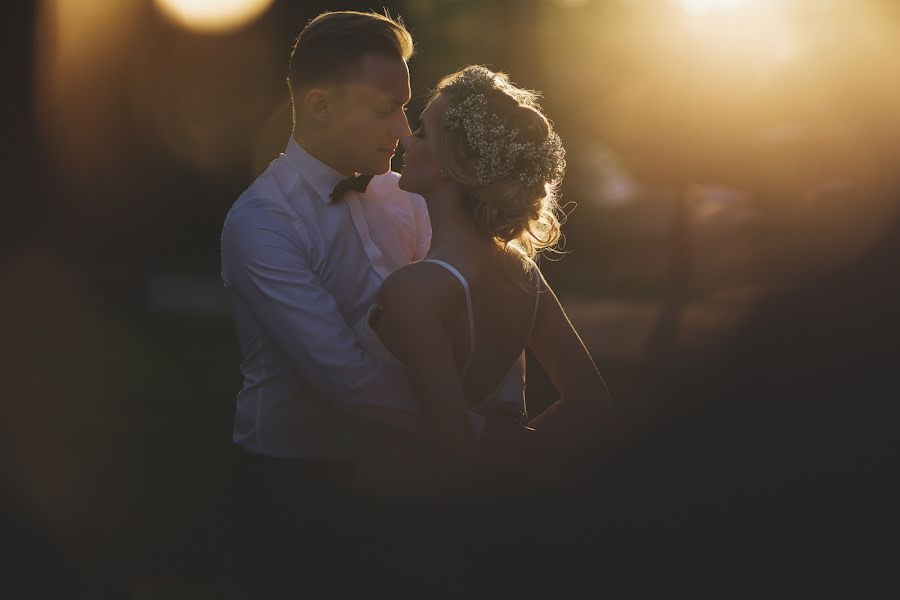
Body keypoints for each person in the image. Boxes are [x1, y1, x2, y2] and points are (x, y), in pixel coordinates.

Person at [218, 11, 525, 593]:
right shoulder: (261, 224)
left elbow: (480, 298)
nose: (406, 131)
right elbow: (344, 377)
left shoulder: (408, 193)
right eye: (387, 110)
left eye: (406, 107)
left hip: (407, 475)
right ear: (321, 106)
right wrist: (476, 433)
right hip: (297, 488)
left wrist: (504, 409)